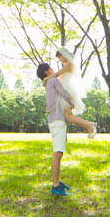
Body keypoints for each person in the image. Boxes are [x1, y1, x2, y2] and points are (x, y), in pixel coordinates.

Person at [41, 47, 97, 138]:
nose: (59, 60)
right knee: (67, 117)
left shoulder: (69, 65)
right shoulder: (67, 65)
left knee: (68, 117)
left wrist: (46, 79)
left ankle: (90, 126)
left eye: (59, 58)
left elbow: (56, 75)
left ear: (63, 55)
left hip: (67, 91)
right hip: (64, 91)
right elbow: (58, 78)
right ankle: (89, 125)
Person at [37, 62, 74, 196]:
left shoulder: (49, 82)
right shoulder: (52, 81)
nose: (54, 70)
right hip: (57, 121)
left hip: (58, 120)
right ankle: (55, 186)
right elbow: (64, 93)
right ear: (47, 71)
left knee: (59, 153)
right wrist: (73, 102)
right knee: (57, 153)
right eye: (51, 68)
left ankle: (58, 182)